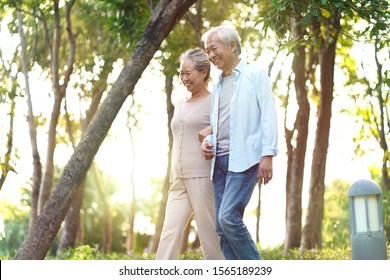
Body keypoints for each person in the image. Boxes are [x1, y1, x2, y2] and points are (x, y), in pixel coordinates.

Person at [200, 26, 278, 260]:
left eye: (214, 49)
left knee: (228, 218)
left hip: (244, 159)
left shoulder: (255, 75)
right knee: (222, 228)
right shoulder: (218, 85)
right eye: (207, 51)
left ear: (232, 45)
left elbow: (268, 115)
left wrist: (268, 154)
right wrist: (209, 141)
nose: (211, 56)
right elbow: (221, 123)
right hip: (220, 161)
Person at [156, 48, 224, 260]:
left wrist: (211, 132)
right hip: (178, 179)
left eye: (188, 73)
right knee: (169, 234)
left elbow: (226, 128)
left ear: (203, 72)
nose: (184, 78)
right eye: (181, 73)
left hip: (203, 178)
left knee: (210, 237)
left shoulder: (215, 102)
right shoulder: (180, 104)